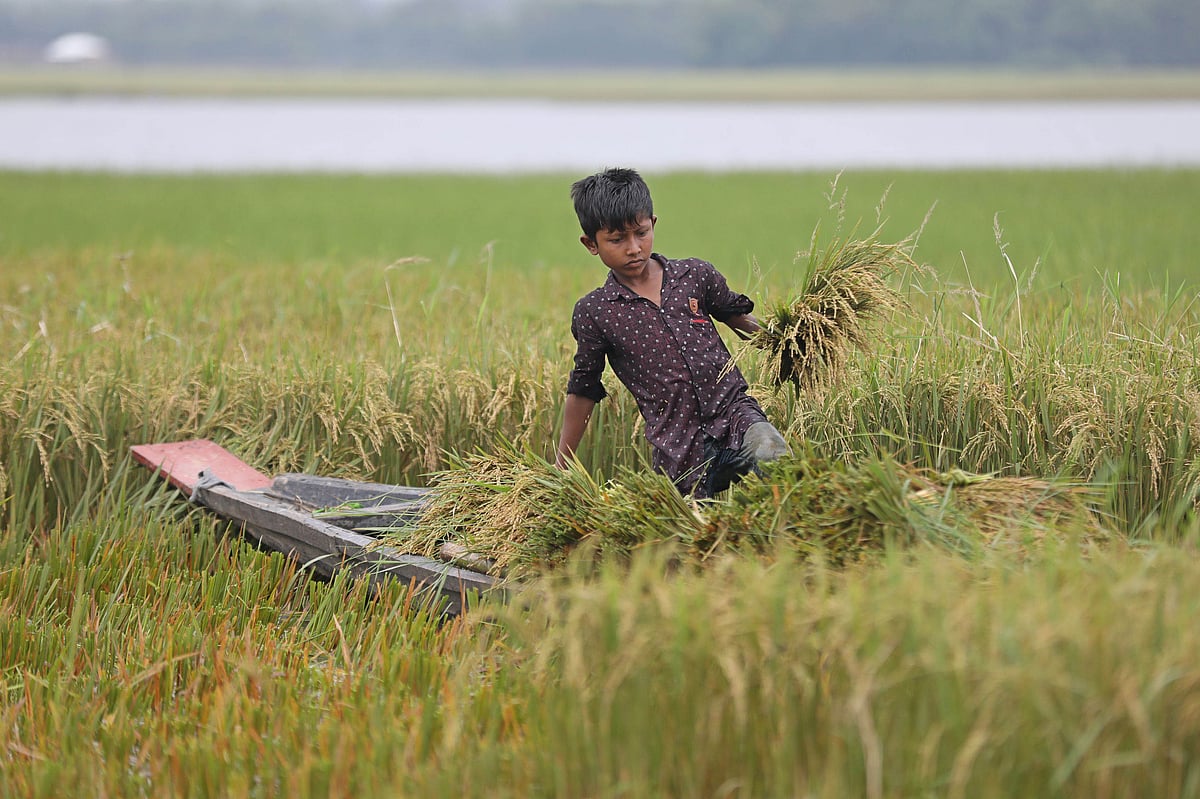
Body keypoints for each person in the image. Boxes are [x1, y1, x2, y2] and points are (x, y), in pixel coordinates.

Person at [555, 167, 789, 498]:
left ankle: (790, 541)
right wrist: (561, 465)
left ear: (653, 223)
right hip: (679, 445)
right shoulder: (597, 312)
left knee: (774, 455)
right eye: (617, 240)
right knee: (694, 536)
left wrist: (790, 342)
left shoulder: (694, 275)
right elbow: (583, 389)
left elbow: (740, 321)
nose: (633, 248)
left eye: (641, 233)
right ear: (591, 244)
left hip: (734, 414)